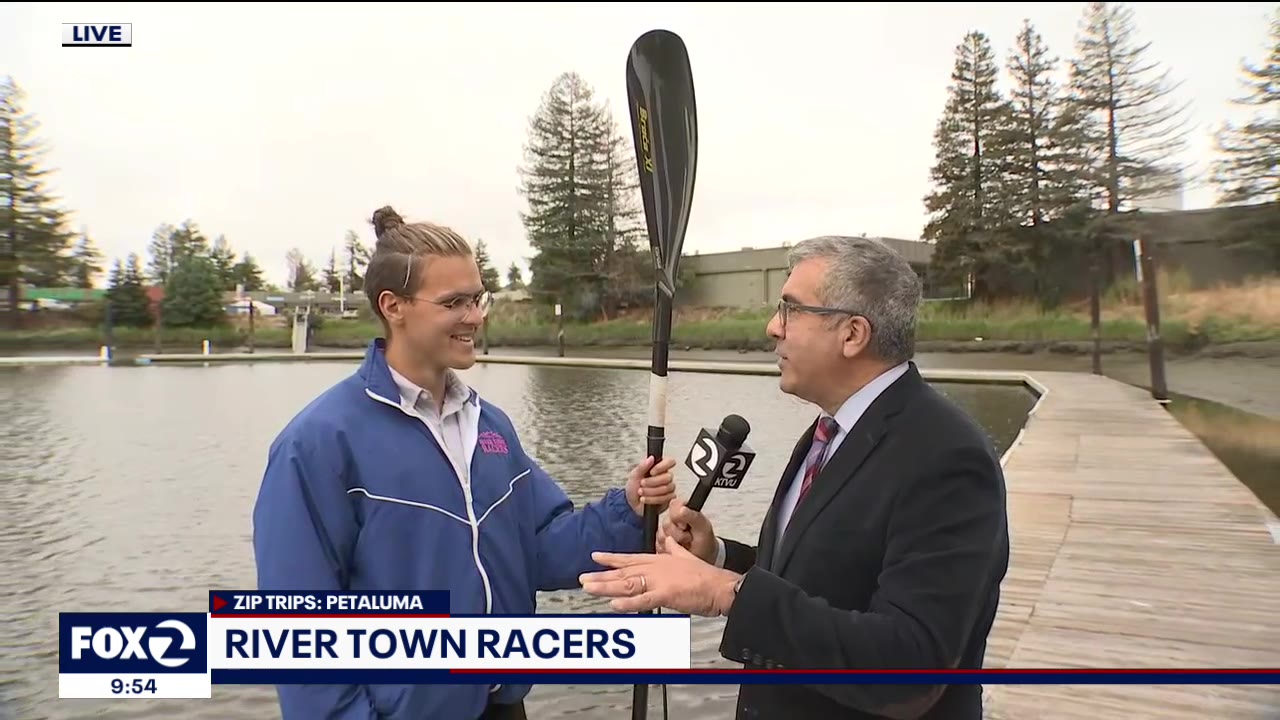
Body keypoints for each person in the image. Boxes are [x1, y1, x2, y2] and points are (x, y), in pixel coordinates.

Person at [252, 205, 679, 720]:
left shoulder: (489, 426)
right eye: (454, 302)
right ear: (393, 306)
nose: (475, 317)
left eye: (477, 298)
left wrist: (628, 509)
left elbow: (539, 550)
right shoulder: (317, 444)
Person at [579, 236, 1010, 720]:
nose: (772, 327)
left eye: (790, 309)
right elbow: (822, 576)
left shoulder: (946, 456)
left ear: (852, 334)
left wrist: (725, 593)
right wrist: (718, 558)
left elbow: (910, 665)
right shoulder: (829, 430)